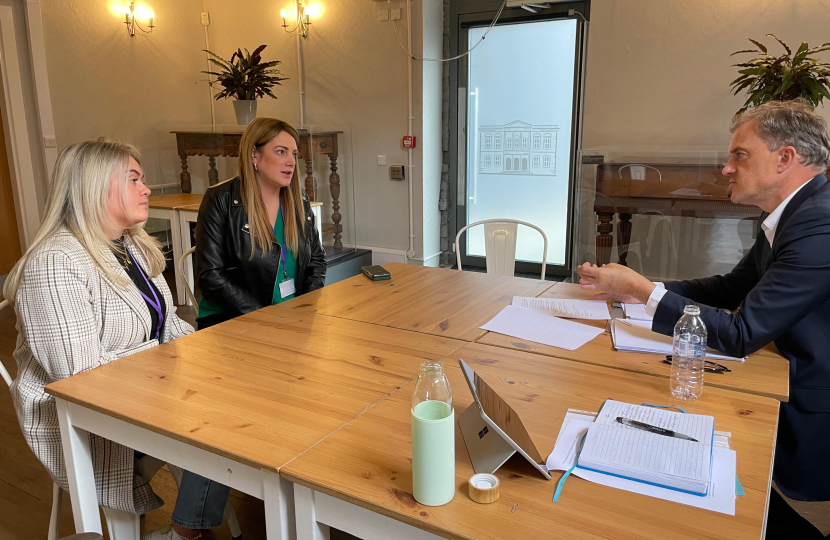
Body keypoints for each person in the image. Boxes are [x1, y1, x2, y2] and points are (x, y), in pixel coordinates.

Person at [578, 100, 830, 539]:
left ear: (784, 159)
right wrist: (638, 288)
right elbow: (731, 288)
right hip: (782, 369)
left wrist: (643, 291)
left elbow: (741, 333)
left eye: (740, 154)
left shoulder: (818, 225)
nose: (726, 167)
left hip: (812, 400)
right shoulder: (795, 214)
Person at [3, 139, 229, 540]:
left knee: (240, 396)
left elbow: (169, 324)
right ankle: (186, 532)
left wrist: (205, 354)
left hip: (145, 390)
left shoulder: (132, 246)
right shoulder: (55, 263)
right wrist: (169, 355)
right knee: (221, 421)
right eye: (134, 180)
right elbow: (82, 377)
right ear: (94, 187)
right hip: (82, 418)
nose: (146, 188)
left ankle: (187, 529)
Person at [195, 117, 326, 330]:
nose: (291, 161)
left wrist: (304, 309)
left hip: (291, 318)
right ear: (254, 154)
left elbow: (317, 261)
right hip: (233, 318)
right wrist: (266, 318)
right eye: (281, 151)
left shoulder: (299, 200)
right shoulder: (221, 199)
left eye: (294, 154)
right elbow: (210, 276)